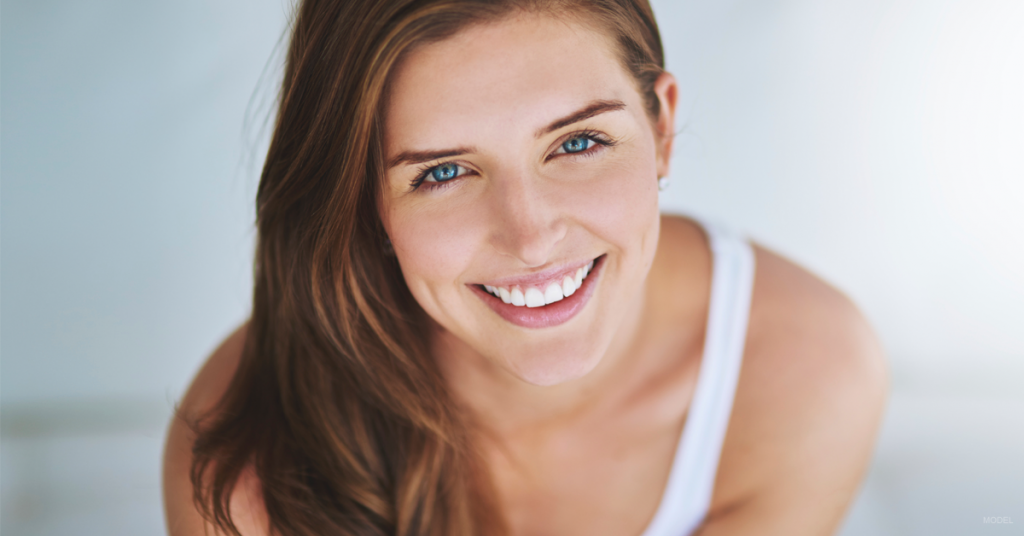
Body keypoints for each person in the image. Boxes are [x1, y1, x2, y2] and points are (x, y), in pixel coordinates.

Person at [162, 0, 888, 534]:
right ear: (362, 200)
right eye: (443, 172)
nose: (532, 238)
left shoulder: (804, 370)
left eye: (577, 144)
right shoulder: (247, 449)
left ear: (661, 128)